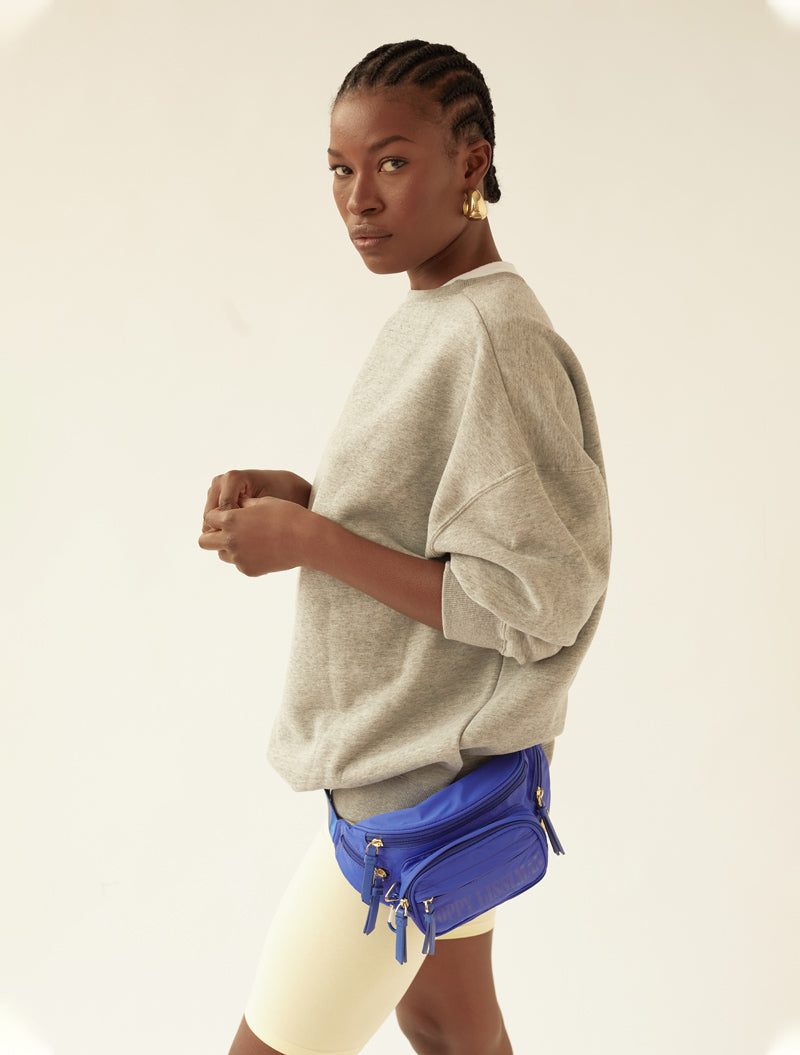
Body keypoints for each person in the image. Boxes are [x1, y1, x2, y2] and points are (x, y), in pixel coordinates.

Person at [199, 39, 611, 1055]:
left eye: (391, 162)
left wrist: (311, 539)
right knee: (446, 1022)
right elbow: (443, 525)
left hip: (414, 800)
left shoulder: (492, 336)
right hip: (437, 772)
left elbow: (532, 602)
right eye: (340, 169)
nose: (359, 199)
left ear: (471, 162)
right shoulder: (436, 312)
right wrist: (308, 501)